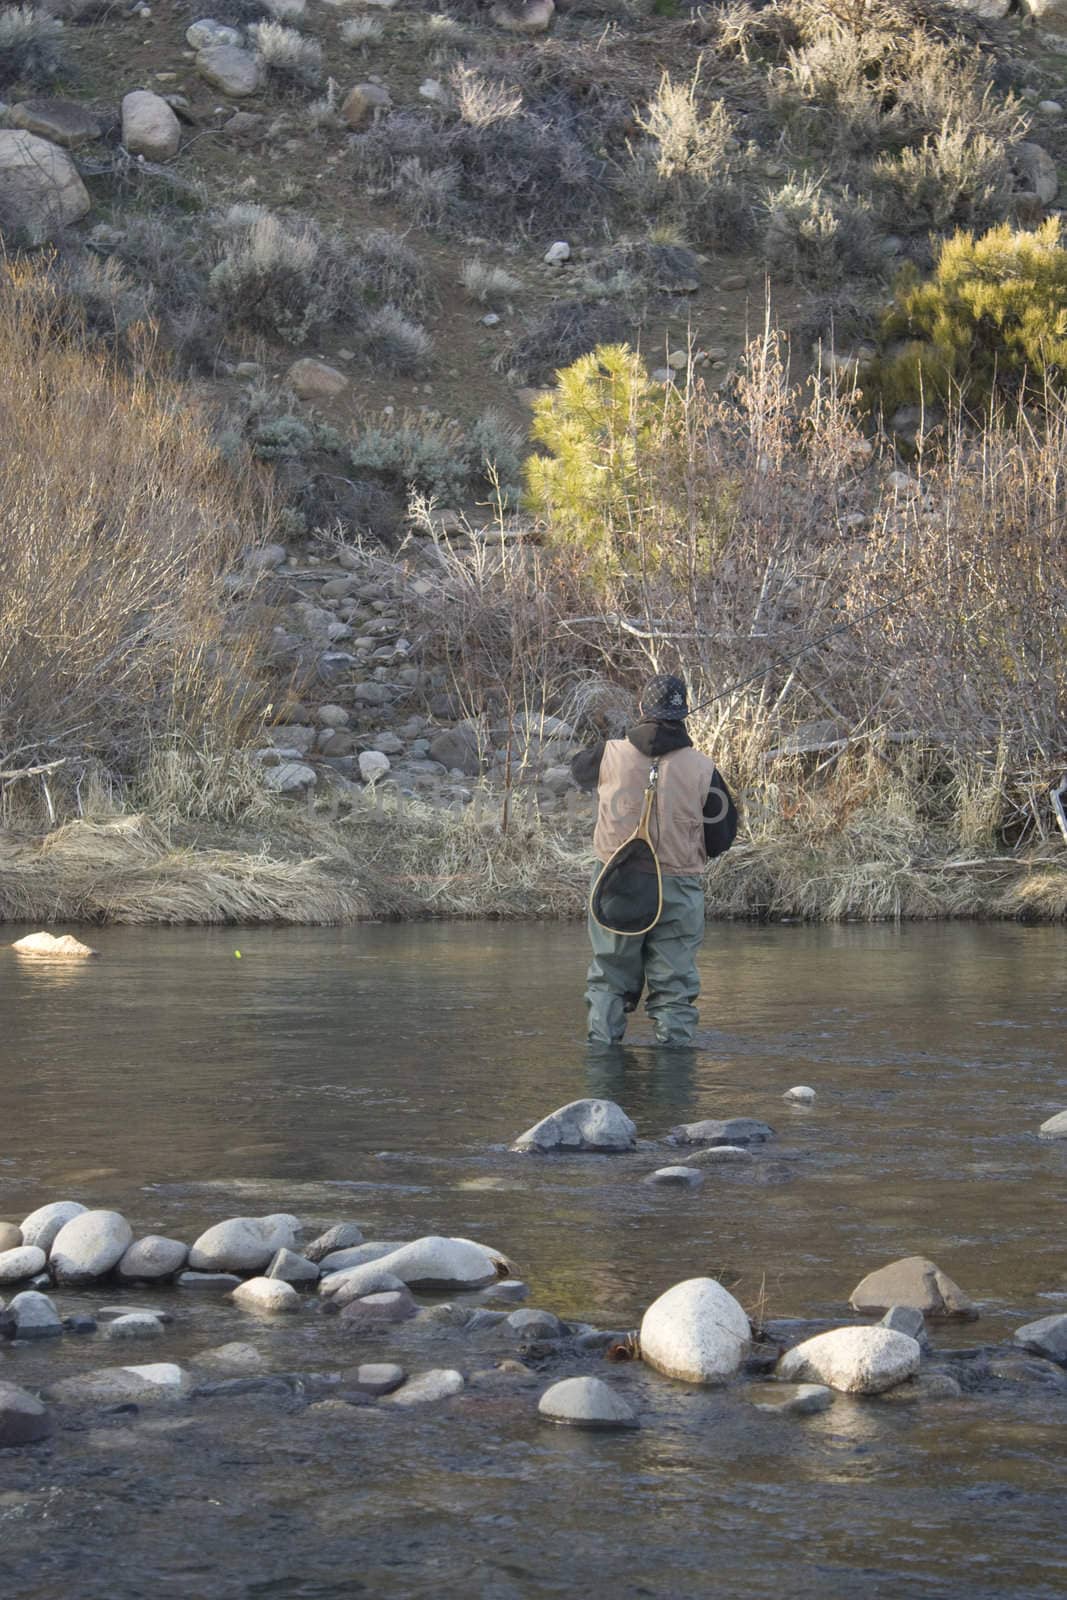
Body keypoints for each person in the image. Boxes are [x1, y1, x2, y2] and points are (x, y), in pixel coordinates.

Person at [571, 673, 737, 1048]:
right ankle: (674, 1093)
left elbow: (577, 771)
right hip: (679, 890)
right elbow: (723, 836)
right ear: (684, 714)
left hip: (616, 882)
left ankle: (603, 1080)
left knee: (609, 979)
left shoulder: (607, 753)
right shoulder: (703, 768)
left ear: (643, 708)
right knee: (675, 990)